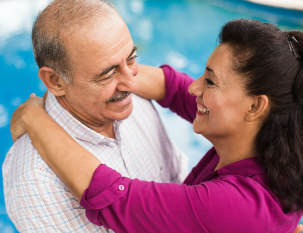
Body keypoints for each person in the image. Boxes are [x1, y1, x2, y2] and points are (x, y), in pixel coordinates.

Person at [10, 18, 303, 233]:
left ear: (255, 106)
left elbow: (113, 198)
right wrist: (95, 80)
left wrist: (34, 118)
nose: (194, 88)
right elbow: (172, 86)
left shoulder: (237, 206)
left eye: (210, 81)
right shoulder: (275, 139)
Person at [2, 0, 188, 232]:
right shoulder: (35, 183)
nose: (131, 82)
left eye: (131, 58)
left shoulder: (135, 98)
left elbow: (178, 177)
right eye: (108, 74)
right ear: (55, 81)